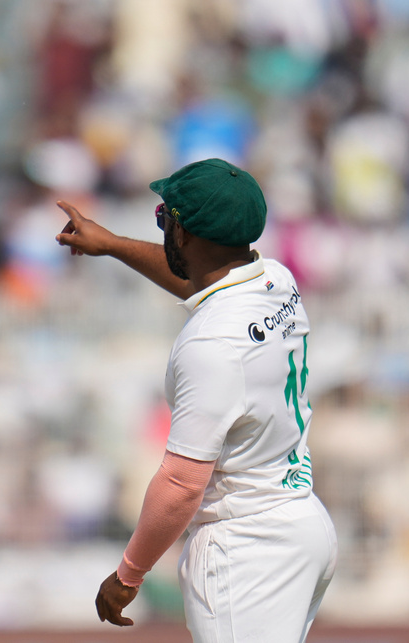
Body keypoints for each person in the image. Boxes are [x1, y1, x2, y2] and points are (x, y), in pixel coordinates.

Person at [55, 158, 337, 643]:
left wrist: (129, 574)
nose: (164, 228)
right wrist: (115, 245)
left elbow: (183, 482)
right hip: (303, 523)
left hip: (247, 547)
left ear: (182, 234)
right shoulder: (277, 281)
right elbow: (199, 280)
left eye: (165, 219)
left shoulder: (210, 345)